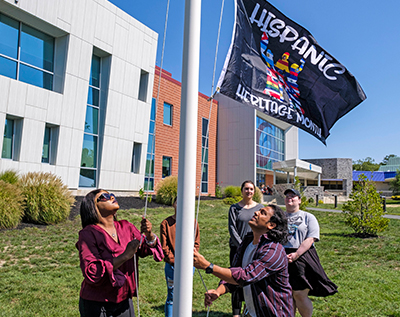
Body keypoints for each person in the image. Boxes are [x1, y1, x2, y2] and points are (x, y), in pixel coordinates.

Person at [76, 189, 164, 317]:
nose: (111, 197)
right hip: (97, 302)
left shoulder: (126, 227)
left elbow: (145, 248)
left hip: (124, 300)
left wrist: (149, 235)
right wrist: (125, 256)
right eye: (105, 196)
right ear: (92, 206)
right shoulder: (88, 234)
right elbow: (92, 271)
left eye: (112, 194)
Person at [194, 205, 293, 317]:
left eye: (263, 213)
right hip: (252, 312)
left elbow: (246, 276)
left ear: (271, 225)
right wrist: (218, 291)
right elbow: (235, 271)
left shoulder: (274, 251)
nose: (256, 213)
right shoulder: (247, 242)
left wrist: (208, 266)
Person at [283, 188, 337, 317]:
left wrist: (296, 254)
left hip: (302, 256)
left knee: (299, 293)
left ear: (299, 200)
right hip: (282, 256)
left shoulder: (308, 217)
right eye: (287, 196)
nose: (289, 198)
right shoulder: (279, 216)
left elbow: (311, 238)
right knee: (287, 293)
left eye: (293, 196)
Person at [228, 180, 264, 317]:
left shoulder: (260, 208)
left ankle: (250, 311)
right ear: (242, 190)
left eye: (251, 189)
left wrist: (253, 246)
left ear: (254, 191)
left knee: (252, 279)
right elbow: (232, 229)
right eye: (246, 189)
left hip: (255, 249)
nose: (249, 191)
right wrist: (242, 246)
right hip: (237, 250)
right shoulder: (234, 208)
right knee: (236, 279)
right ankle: (236, 312)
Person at [160, 197, 200, 317]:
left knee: (185, 294)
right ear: (174, 204)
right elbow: (164, 246)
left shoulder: (193, 222)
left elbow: (196, 243)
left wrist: (189, 260)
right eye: (178, 203)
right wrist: (174, 261)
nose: (181, 205)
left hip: (189, 266)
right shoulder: (166, 223)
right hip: (172, 266)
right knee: (172, 296)